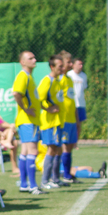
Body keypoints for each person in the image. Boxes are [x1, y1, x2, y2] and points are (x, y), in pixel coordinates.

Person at [13, 51, 45, 195]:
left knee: (25, 151)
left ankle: (25, 184)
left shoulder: (29, 77)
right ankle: (33, 185)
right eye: (30, 58)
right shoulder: (23, 75)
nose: (34, 59)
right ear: (22, 62)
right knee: (33, 151)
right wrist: (26, 110)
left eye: (34, 57)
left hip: (28, 121)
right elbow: (16, 93)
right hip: (28, 121)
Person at [38, 54, 65, 189]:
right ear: (52, 67)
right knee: (51, 149)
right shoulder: (47, 81)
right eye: (60, 66)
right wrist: (48, 109)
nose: (62, 68)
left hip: (58, 122)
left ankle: (55, 179)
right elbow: (38, 99)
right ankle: (45, 180)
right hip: (50, 123)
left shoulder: (57, 81)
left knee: (58, 149)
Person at [58, 51, 79, 184]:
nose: (71, 64)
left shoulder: (69, 79)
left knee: (70, 147)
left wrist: (76, 118)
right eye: (68, 62)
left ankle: (68, 174)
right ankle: (64, 175)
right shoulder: (58, 80)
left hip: (71, 118)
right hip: (63, 119)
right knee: (64, 147)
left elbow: (72, 100)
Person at [67, 57, 88, 140]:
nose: (81, 66)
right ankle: (68, 140)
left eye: (82, 64)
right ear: (73, 65)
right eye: (79, 64)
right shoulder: (69, 75)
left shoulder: (84, 76)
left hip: (81, 103)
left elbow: (83, 89)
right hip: (72, 103)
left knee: (79, 124)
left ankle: (75, 142)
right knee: (71, 123)